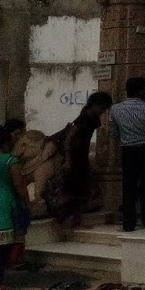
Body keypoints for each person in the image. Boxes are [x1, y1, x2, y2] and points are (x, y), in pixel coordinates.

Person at [108, 78, 145, 231]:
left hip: (128, 150)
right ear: (141, 91)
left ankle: (129, 222)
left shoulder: (115, 109)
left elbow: (113, 133)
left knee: (129, 184)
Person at [49, 91, 111, 229]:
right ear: (95, 105)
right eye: (102, 108)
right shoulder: (84, 118)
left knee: (81, 189)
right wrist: (68, 159)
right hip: (75, 155)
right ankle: (64, 221)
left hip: (81, 155)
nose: (103, 111)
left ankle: (74, 221)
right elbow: (69, 138)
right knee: (72, 189)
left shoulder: (91, 117)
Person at [0, 126, 28, 290]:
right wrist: (27, 202)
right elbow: (18, 184)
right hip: (4, 204)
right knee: (3, 248)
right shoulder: (10, 160)